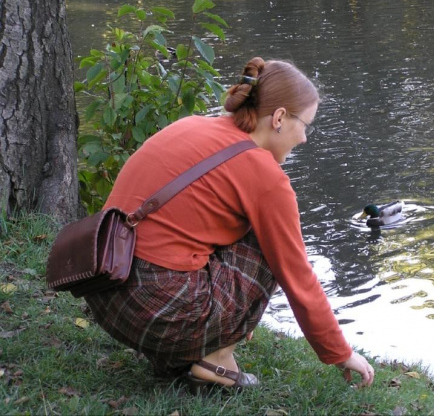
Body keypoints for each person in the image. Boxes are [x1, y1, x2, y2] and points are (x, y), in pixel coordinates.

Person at [84, 56, 374, 393]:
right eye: (305, 125)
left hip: (105, 290)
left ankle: (183, 353)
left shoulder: (193, 126)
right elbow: (298, 276)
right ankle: (215, 360)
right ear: (279, 117)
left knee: (241, 229)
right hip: (158, 311)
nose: (304, 139)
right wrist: (340, 353)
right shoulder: (265, 177)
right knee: (271, 246)